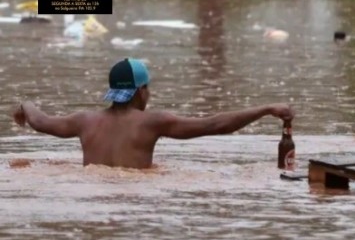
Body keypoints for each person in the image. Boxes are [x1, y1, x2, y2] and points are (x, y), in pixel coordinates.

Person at [12, 58, 294, 169]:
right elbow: (215, 125)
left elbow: (40, 121)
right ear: (139, 91)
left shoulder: (84, 121)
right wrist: (265, 108)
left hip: (92, 191)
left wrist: (25, 105)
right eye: (147, 88)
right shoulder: (152, 122)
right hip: (136, 199)